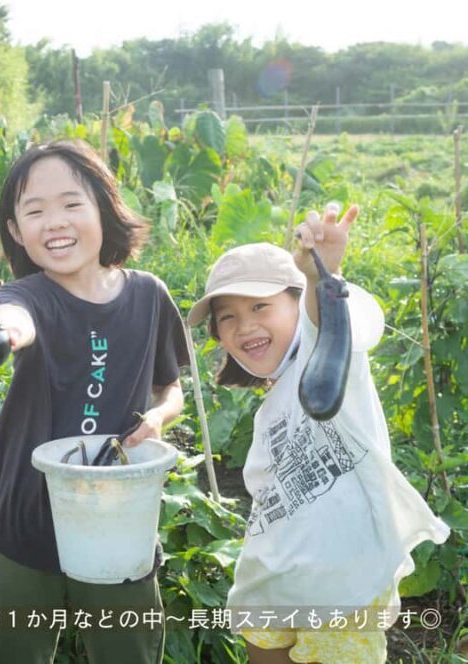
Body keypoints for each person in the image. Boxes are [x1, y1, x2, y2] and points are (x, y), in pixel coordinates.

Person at [0, 140, 189, 663]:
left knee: (129, 653)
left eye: (72, 204)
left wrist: (159, 416)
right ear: (16, 230)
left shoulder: (149, 297)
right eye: (34, 211)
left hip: (117, 519)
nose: (55, 222)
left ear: (104, 206)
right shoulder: (26, 297)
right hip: (25, 518)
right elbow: (15, 326)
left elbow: (172, 388)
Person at [187, 204, 450, 664]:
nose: (245, 324)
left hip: (341, 589)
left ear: (296, 301)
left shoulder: (327, 360)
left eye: (261, 306)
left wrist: (317, 275)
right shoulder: (271, 405)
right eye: (227, 317)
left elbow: (319, 319)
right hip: (273, 576)